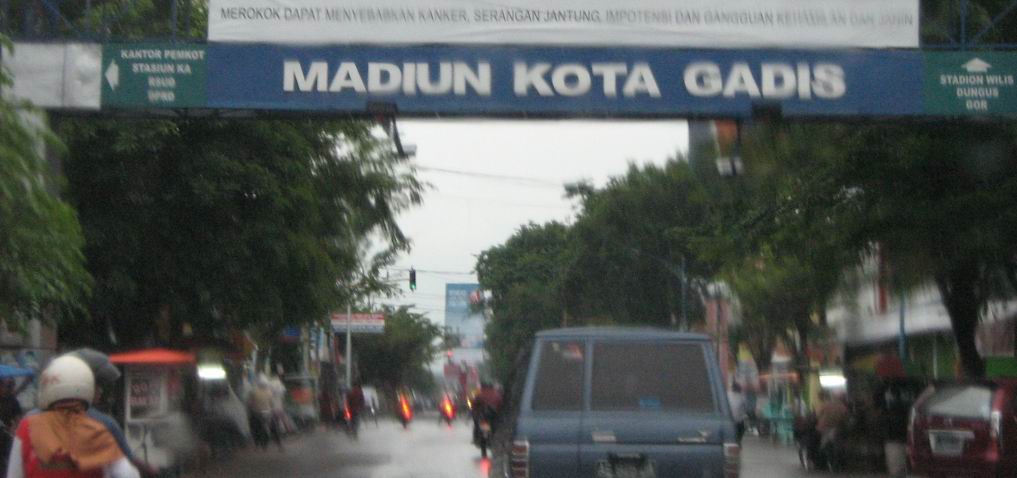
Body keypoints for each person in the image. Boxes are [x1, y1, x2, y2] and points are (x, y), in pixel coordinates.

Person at [6, 355, 140, 478]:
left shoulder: (27, 427)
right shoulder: (97, 430)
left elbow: (14, 474)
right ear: (88, 388)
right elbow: (128, 474)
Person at [247, 376, 282, 451]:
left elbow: (249, 404)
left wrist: (251, 410)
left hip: (256, 413)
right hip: (267, 413)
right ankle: (279, 445)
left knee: (254, 428)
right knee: (274, 428)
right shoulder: (269, 392)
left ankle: (256, 446)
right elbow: (272, 404)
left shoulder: (253, 392)